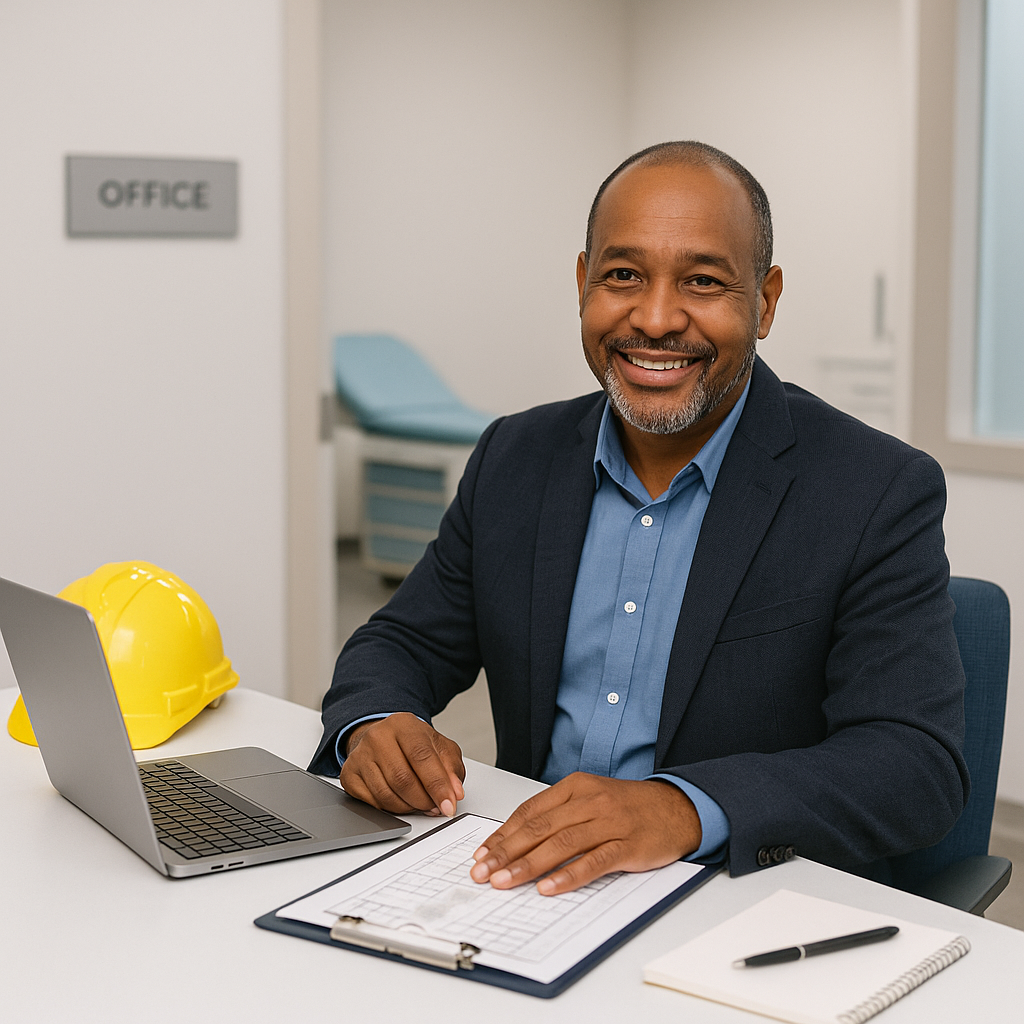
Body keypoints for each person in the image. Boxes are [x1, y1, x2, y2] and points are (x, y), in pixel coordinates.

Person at [309, 141, 968, 896]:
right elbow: (404, 638)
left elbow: (913, 763)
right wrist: (375, 721)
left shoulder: (873, 488)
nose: (655, 319)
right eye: (623, 276)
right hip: (527, 888)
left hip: (732, 898)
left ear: (766, 300)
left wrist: (684, 809)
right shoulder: (514, 456)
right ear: (583, 283)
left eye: (704, 281)